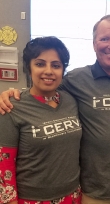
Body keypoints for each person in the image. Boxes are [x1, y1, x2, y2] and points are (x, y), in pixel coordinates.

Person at [0, 15, 110, 204]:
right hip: (90, 192)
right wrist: (11, 93)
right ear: (94, 44)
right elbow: (40, 90)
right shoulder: (76, 79)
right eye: (104, 39)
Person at [0, 37, 82, 204]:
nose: (49, 71)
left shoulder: (71, 101)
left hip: (72, 195)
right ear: (29, 69)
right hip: (32, 199)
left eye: (56, 65)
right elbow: (4, 164)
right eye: (40, 64)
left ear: (63, 70)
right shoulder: (12, 107)